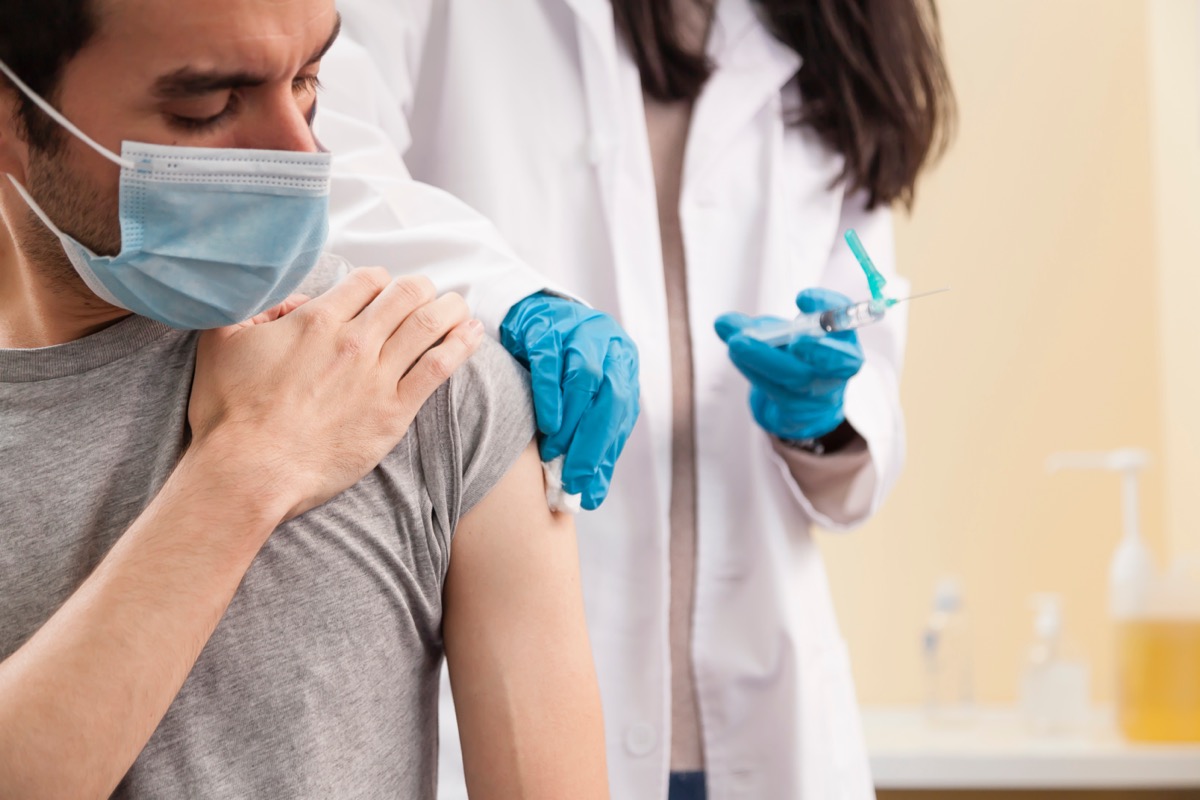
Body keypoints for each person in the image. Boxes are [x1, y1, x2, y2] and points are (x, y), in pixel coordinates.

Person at [318, 1, 955, 797]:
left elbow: (864, 376)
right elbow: (316, 151)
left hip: (764, 712)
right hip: (501, 704)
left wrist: (826, 418)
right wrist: (507, 298)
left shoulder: (838, 28)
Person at [0, 1, 610, 798]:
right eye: (206, 108)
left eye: (310, 80)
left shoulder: (433, 386)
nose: (305, 154)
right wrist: (247, 468)